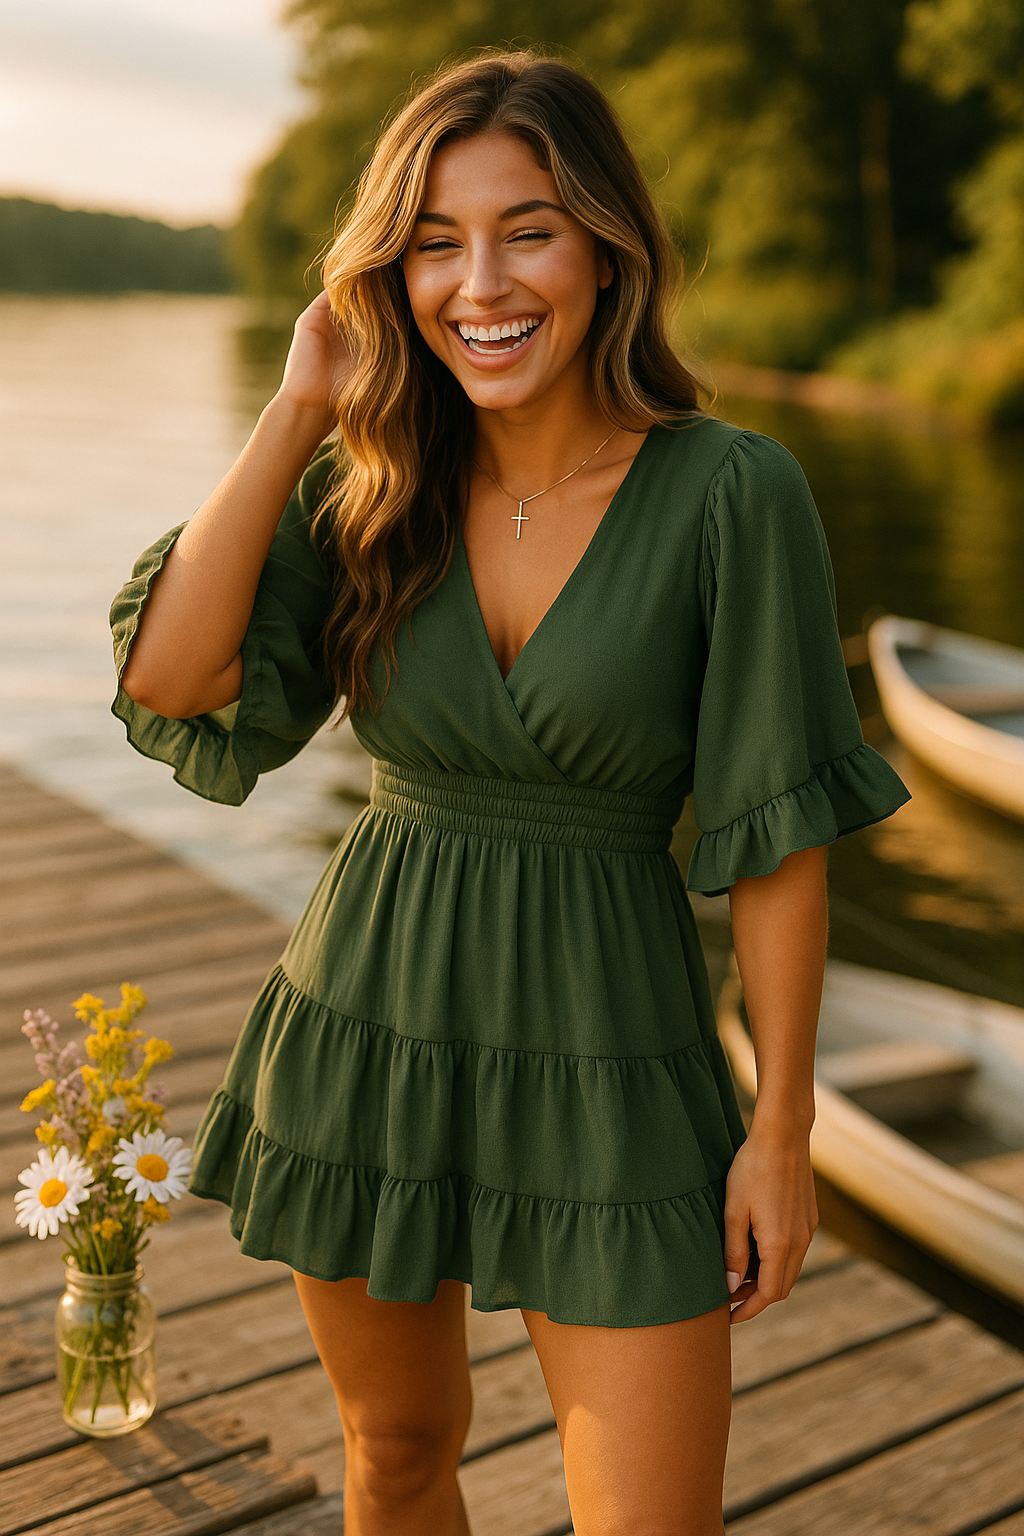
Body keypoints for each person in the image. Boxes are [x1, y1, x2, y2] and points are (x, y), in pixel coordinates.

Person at [110, 50, 909, 1536]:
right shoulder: (375, 484)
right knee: (397, 1454)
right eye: (434, 242)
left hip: (616, 1055)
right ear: (391, 274)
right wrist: (298, 407)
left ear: (606, 250)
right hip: (372, 1023)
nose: (480, 283)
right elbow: (173, 678)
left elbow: (779, 838)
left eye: (526, 231)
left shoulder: (732, 494)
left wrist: (781, 1129)